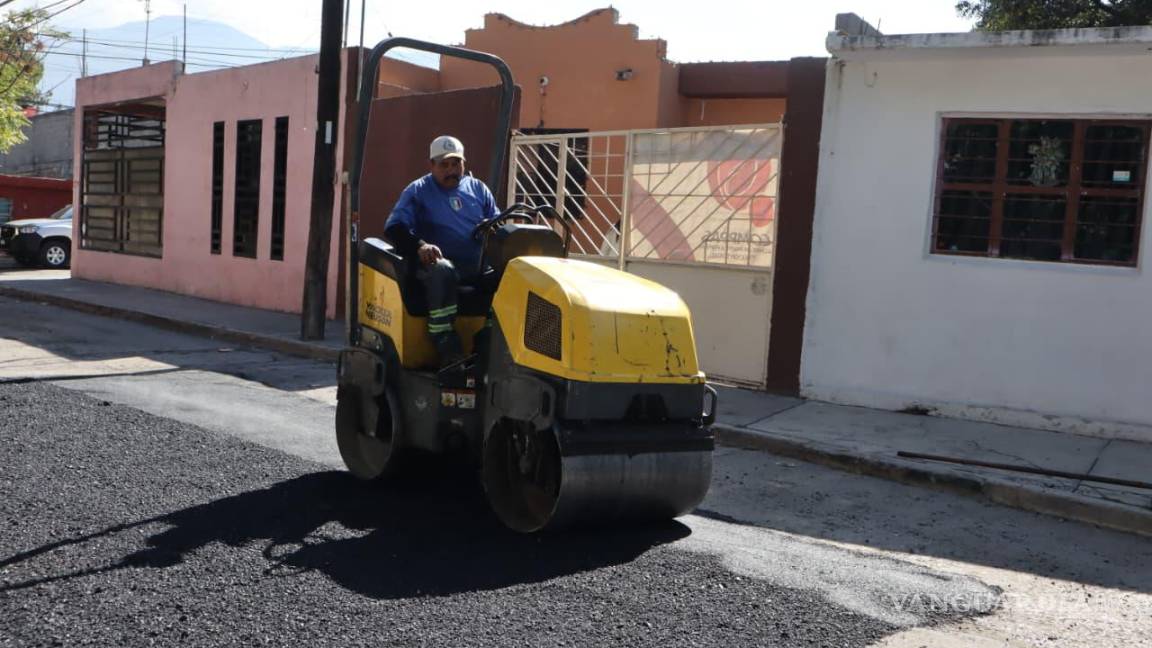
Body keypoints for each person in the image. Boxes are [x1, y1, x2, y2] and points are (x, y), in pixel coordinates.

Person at [384, 135, 499, 367]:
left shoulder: (478, 189)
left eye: (456, 164)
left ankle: (488, 339)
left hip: (475, 266)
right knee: (443, 269)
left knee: (510, 273)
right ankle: (443, 336)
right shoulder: (418, 190)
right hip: (435, 267)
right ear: (432, 165)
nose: (451, 170)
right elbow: (394, 228)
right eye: (444, 165)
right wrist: (420, 246)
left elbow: (496, 224)